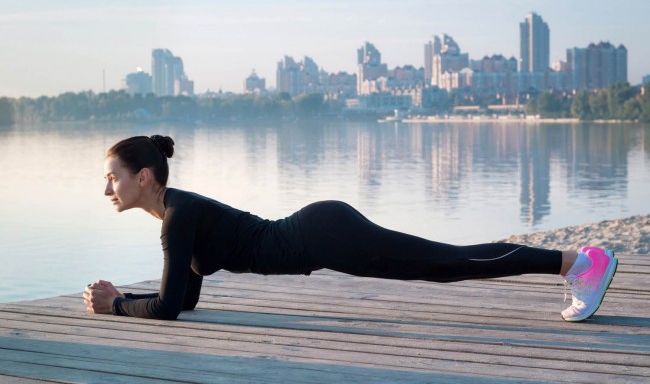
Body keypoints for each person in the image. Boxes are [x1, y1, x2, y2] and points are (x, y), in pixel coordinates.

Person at [83, 135, 619, 322]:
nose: (108, 190)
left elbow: (169, 309)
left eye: (113, 179)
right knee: (443, 270)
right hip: (323, 234)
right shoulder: (178, 214)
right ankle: (577, 264)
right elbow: (184, 299)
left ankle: (582, 263)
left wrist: (114, 306)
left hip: (324, 234)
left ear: (144, 177)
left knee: (449, 260)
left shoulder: (178, 218)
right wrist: (127, 298)